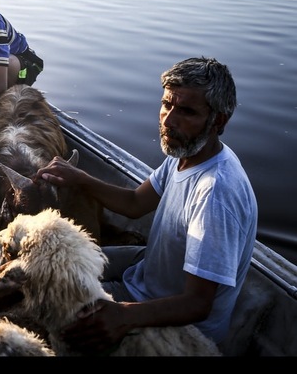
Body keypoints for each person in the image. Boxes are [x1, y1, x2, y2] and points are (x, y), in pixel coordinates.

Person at [35, 56, 257, 354]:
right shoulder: (184, 154)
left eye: (187, 111)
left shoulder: (216, 193)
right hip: (148, 270)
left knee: (52, 306)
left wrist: (123, 315)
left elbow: (197, 304)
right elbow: (135, 203)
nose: (169, 119)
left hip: (180, 325)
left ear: (218, 120)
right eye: (167, 104)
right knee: (54, 262)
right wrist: (80, 178)